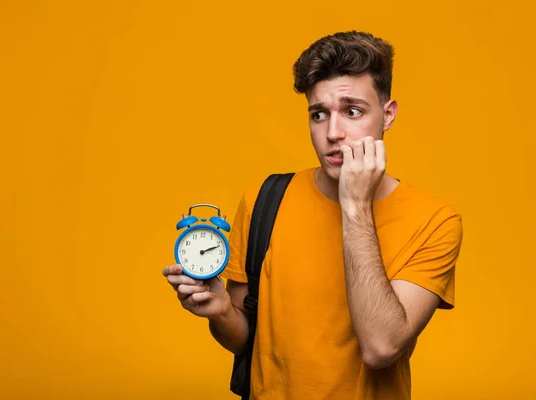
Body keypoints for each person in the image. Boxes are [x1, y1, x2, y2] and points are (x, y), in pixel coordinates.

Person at [162, 30, 463, 399]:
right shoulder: (265, 200)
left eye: (353, 111)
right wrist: (220, 310)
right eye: (319, 114)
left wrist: (355, 204)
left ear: (387, 115)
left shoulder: (435, 221)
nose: (333, 133)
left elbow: (381, 347)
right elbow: (246, 341)